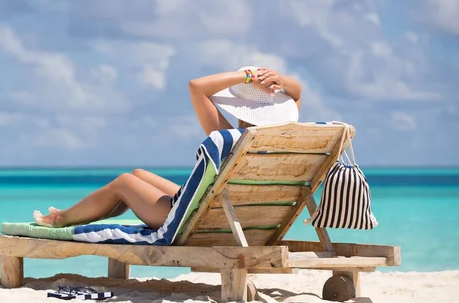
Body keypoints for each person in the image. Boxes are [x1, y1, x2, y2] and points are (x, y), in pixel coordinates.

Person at [33, 67, 302, 229]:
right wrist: (278, 79)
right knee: (138, 174)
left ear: (242, 109)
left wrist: (246, 76)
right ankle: (80, 216)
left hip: (199, 221)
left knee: (124, 182)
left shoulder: (231, 138)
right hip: (233, 216)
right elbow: (298, 92)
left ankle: (62, 219)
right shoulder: (283, 139)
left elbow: (196, 87)